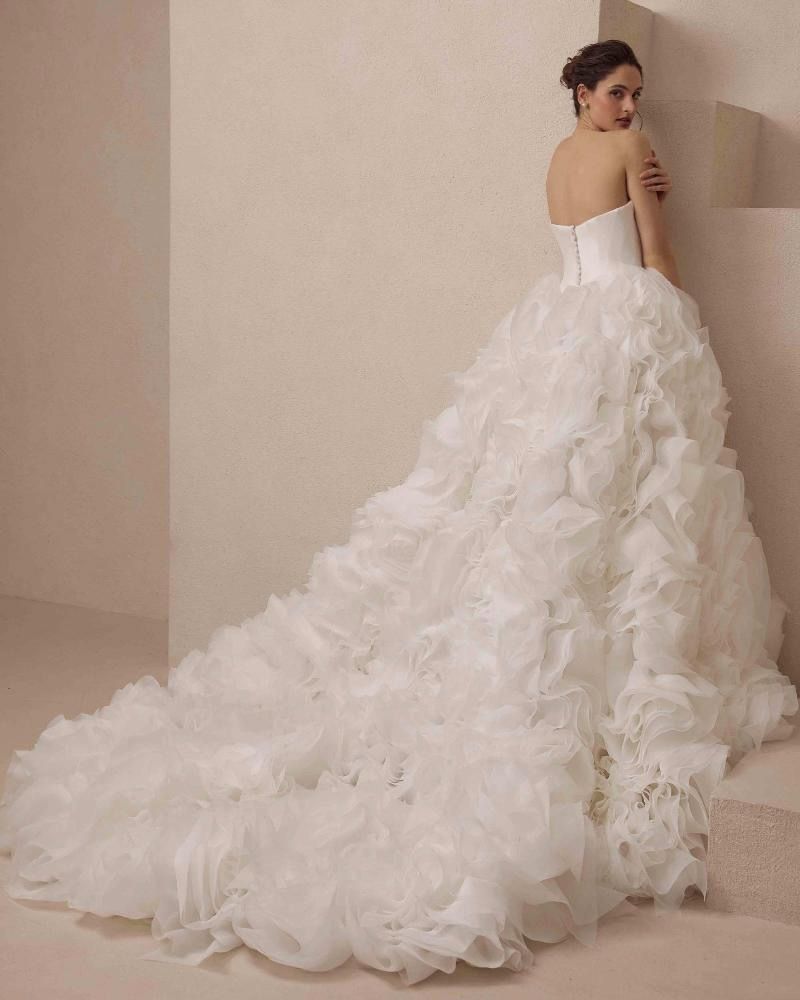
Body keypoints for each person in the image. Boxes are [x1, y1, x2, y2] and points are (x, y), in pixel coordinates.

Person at [1, 38, 797, 988]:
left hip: (560, 326)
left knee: (547, 504)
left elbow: (581, 243)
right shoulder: (632, 150)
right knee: (631, 507)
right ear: (583, 92)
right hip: (628, 327)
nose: (631, 107)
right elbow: (657, 260)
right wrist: (686, 323)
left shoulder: (554, 157)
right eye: (617, 92)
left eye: (637, 96)